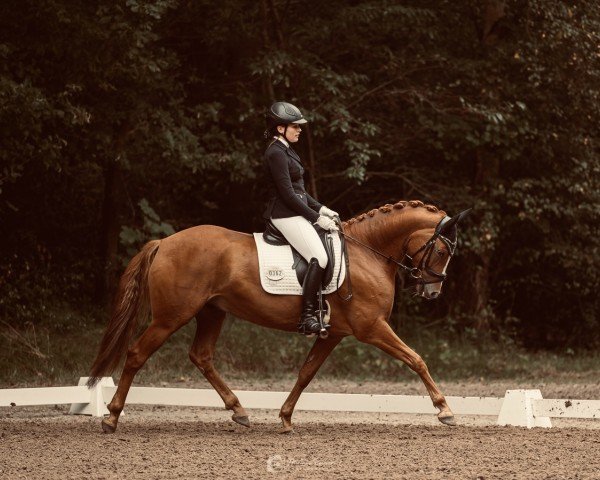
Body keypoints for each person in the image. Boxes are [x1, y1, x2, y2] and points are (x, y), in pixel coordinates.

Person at [263, 101, 339, 335]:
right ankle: (307, 316)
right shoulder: (275, 152)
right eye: (295, 126)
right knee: (319, 256)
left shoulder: (287, 149)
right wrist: (316, 218)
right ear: (280, 128)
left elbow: (300, 191)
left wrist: (322, 208)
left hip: (296, 210)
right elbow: (287, 194)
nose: (299, 130)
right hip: (284, 214)